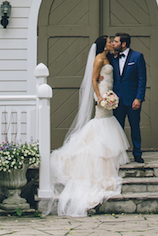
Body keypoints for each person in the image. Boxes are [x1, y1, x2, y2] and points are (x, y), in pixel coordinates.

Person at [47, 35, 129, 216]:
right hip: (102, 94)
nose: (110, 43)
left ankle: (106, 152)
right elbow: (93, 79)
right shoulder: (99, 59)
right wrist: (99, 97)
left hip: (109, 91)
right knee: (101, 122)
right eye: (108, 41)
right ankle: (98, 154)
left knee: (107, 122)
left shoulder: (109, 57)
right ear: (103, 44)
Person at [111, 32, 147, 163]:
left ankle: (137, 153)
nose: (113, 43)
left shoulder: (137, 57)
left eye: (116, 41)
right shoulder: (112, 58)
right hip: (116, 100)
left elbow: (142, 79)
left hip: (132, 100)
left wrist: (139, 98)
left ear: (124, 44)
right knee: (117, 128)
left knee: (135, 127)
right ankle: (119, 154)